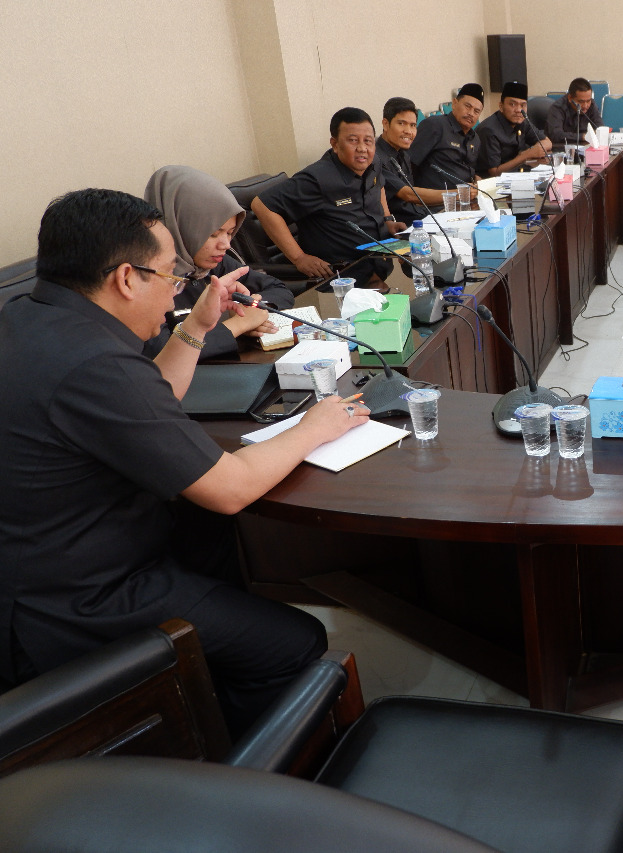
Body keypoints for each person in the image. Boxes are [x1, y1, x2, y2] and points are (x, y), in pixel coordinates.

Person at [0, 188, 370, 737]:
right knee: (294, 643)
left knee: (209, 538)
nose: (176, 289)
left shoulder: (32, 317)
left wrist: (196, 326)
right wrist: (315, 427)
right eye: (171, 277)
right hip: (77, 599)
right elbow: (231, 488)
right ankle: (247, 772)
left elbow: (152, 403)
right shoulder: (96, 362)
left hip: (40, 562)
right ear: (127, 279)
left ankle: (208, 692)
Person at [140, 166, 293, 361]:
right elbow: (161, 352)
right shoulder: (147, 276)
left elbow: (278, 288)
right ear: (180, 224)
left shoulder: (211, 262)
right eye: (213, 234)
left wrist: (254, 309)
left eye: (230, 232)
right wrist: (238, 326)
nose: (226, 245)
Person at [251, 107, 396, 289]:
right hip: (342, 276)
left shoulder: (373, 162)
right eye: (353, 141)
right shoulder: (317, 179)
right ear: (334, 144)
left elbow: (378, 185)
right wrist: (299, 257)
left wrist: (387, 218)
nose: (362, 148)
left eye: (368, 141)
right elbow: (261, 205)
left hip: (380, 261)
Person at [407, 84, 486, 206]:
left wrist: (476, 179)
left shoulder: (475, 139)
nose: (471, 113)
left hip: (465, 202)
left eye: (476, 111)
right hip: (435, 205)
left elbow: (466, 170)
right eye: (467, 106)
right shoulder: (435, 126)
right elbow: (409, 164)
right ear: (454, 103)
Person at [476, 81, 553, 177]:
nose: (518, 110)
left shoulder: (523, 122)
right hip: (494, 184)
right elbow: (494, 173)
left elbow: (547, 142)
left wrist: (536, 153)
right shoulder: (488, 130)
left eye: (523, 105)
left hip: (518, 176)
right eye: (512, 104)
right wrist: (526, 155)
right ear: (501, 106)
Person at [377, 96, 425, 226]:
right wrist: (455, 194)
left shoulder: (404, 154)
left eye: (413, 125)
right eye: (401, 123)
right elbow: (408, 194)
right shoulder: (376, 156)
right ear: (386, 124)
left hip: (418, 217)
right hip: (400, 226)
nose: (408, 131)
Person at [545, 78, 604, 146]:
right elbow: (556, 135)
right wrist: (583, 136)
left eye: (588, 101)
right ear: (570, 98)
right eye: (581, 102)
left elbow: (600, 128)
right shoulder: (557, 108)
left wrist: (598, 133)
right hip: (561, 150)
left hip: (584, 148)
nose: (585, 106)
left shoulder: (592, 105)